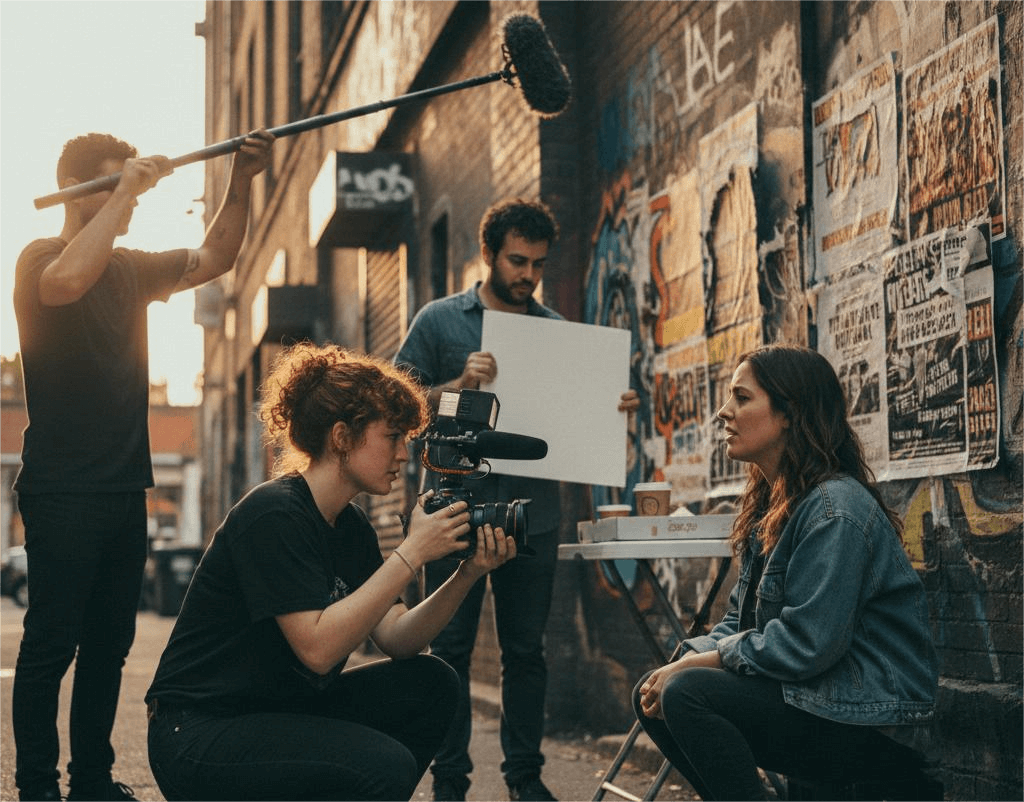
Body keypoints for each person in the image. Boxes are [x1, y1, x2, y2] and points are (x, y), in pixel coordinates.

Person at [11, 129, 274, 802]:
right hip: (61, 490)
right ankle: (38, 788)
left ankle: (91, 782)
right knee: (50, 649)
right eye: (118, 188)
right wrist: (125, 186)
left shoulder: (132, 268)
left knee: (108, 647)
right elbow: (68, 283)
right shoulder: (40, 257)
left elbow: (216, 254)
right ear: (87, 191)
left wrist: (242, 177)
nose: (132, 205)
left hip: (125, 489)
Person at [145, 343, 516, 801]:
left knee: (433, 683)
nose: (405, 454)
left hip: (279, 712)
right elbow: (317, 651)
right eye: (392, 436)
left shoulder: (352, 524)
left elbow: (398, 638)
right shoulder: (274, 514)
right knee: (384, 765)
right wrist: (411, 553)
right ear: (341, 437)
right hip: (199, 734)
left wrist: (467, 573)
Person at [395, 198, 639, 802]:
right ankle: (449, 781)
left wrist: (610, 411)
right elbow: (395, 407)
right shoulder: (439, 321)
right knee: (448, 649)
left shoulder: (557, 332)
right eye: (517, 260)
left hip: (533, 509)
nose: (529, 274)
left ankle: (525, 781)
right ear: (487, 253)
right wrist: (458, 386)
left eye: (538, 264)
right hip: (454, 509)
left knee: (526, 651)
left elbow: (572, 428)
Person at [632, 344, 940, 802]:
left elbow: (808, 643)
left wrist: (697, 665)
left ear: (789, 414)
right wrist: (683, 658)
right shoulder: (774, 503)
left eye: (741, 398)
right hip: (815, 698)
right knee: (655, 689)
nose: (724, 412)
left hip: (865, 717)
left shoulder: (836, 509)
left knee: (687, 692)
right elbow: (742, 621)